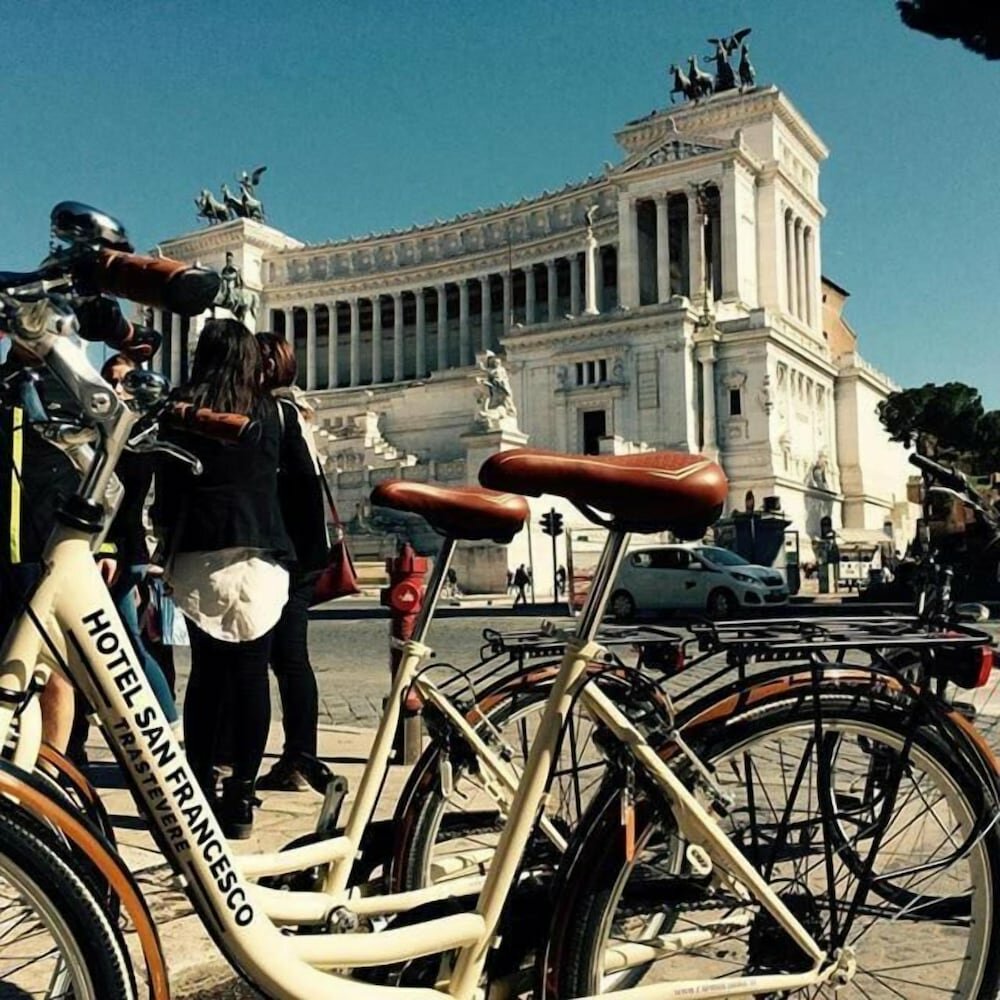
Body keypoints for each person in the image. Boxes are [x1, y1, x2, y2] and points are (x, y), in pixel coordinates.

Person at [153, 318, 294, 839]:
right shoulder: (271, 412)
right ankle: (241, 797)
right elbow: (289, 484)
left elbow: (167, 484)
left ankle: (199, 785)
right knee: (252, 675)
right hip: (259, 550)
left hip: (199, 550)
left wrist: (163, 537)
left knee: (206, 675)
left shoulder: (180, 411)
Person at [253, 332, 331, 794]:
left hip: (285, 554)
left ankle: (291, 759)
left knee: (274, 659)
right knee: (288, 658)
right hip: (301, 553)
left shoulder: (279, 413)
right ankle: (300, 758)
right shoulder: (296, 412)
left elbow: (299, 485)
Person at [100, 354, 179, 731]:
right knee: (123, 642)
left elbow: (122, 500)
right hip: (113, 549)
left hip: (121, 549)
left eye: (125, 381)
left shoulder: (136, 435)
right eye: (111, 380)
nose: (117, 389)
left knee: (126, 645)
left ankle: (166, 722)